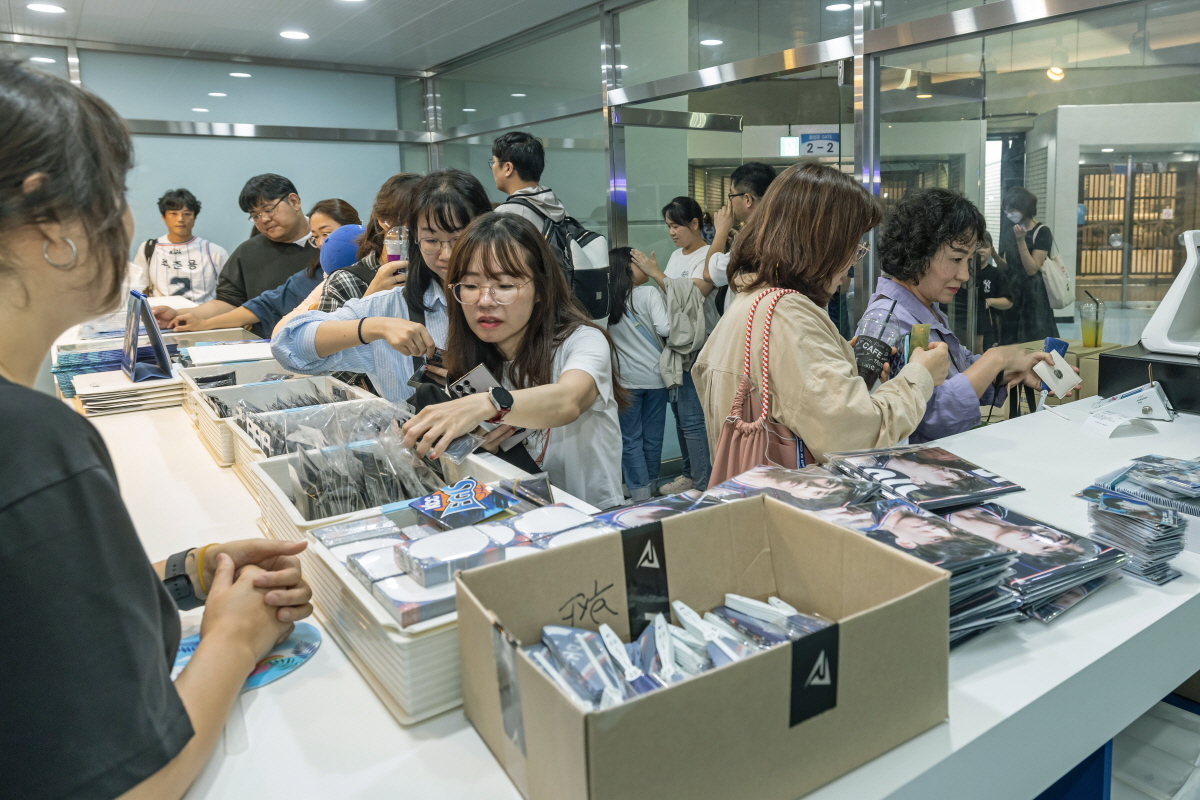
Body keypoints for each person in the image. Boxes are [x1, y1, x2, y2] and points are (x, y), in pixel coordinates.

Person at [0, 60, 314, 800]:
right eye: (115, 195)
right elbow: (131, 780)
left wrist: (182, 576)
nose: (131, 221)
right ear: (50, 219)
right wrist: (236, 635)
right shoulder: (31, 445)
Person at [692, 163, 951, 464]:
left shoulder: (752, 298)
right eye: (850, 246)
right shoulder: (789, 316)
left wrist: (837, 360)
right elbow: (856, 434)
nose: (852, 262)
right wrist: (920, 376)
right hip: (791, 501)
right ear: (821, 244)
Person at [400, 213, 626, 510]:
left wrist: (488, 404)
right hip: (517, 517)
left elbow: (569, 399)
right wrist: (476, 447)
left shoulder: (581, 341)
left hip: (589, 518)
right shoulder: (471, 358)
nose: (484, 300)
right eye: (469, 286)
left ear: (541, 291)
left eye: (505, 286)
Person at [272, 170, 491, 401]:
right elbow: (287, 345)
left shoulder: (513, 297)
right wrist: (375, 326)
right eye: (431, 240)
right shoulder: (392, 304)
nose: (446, 254)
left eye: (458, 239)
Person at [865, 188, 1053, 442]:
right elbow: (928, 418)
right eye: (956, 259)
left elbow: (957, 369)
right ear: (918, 253)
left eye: (969, 260)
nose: (964, 275)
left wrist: (1009, 369)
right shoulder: (887, 321)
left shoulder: (925, 309)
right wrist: (996, 359)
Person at [153, 173, 315, 337]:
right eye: (255, 215)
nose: (264, 219)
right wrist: (178, 315)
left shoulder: (330, 244)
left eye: (268, 210)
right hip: (265, 347)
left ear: (294, 202)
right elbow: (228, 302)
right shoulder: (248, 252)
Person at [169, 200, 361, 335]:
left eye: (327, 234)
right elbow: (264, 304)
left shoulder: (380, 269)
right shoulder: (314, 274)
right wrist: (205, 324)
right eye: (316, 237)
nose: (321, 244)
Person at [630, 196, 716, 494]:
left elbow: (690, 298)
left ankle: (704, 484)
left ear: (695, 224)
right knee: (681, 417)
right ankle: (690, 475)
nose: (671, 232)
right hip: (677, 346)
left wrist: (655, 273)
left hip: (699, 345)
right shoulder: (678, 255)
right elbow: (671, 298)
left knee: (693, 419)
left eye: (676, 225)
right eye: (668, 226)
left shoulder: (708, 256)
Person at [607, 246, 670, 502]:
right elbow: (665, 328)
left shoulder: (609, 301)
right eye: (637, 263)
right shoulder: (648, 293)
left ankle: (639, 493)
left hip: (625, 382)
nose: (643, 266)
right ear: (627, 268)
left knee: (630, 439)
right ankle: (653, 485)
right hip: (656, 378)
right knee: (653, 437)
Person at [320, 172, 422, 313]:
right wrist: (370, 298)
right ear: (381, 220)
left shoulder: (438, 270)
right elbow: (326, 334)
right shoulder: (345, 282)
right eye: (411, 223)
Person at [128, 188, 227, 303]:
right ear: (163, 217)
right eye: (173, 214)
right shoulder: (148, 249)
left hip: (203, 318)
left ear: (195, 217)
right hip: (161, 318)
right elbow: (141, 288)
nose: (180, 219)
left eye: (187, 214)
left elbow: (228, 293)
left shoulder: (215, 252)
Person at [703, 162, 777, 308]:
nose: (730, 201)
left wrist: (721, 232)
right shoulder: (776, 229)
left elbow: (709, 274)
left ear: (747, 200)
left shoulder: (754, 239)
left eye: (732, 195)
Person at [995, 186, 1058, 342]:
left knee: (1034, 338)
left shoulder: (1042, 231)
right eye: (1006, 210)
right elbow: (1006, 266)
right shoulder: (1010, 231)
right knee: (1009, 337)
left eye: (1013, 210)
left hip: (1033, 295)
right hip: (1011, 290)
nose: (1009, 214)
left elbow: (1032, 269)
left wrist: (1021, 241)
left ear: (1025, 209)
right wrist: (992, 253)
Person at [490, 131, 568, 230]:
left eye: (493, 162)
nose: (493, 167)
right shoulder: (556, 206)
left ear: (508, 168)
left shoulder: (505, 216)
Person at [975, 230, 1012, 352]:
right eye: (977, 246)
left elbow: (1008, 302)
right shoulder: (963, 273)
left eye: (985, 247)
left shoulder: (996, 274)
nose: (981, 250)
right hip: (966, 323)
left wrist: (989, 301)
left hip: (988, 327)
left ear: (991, 250)